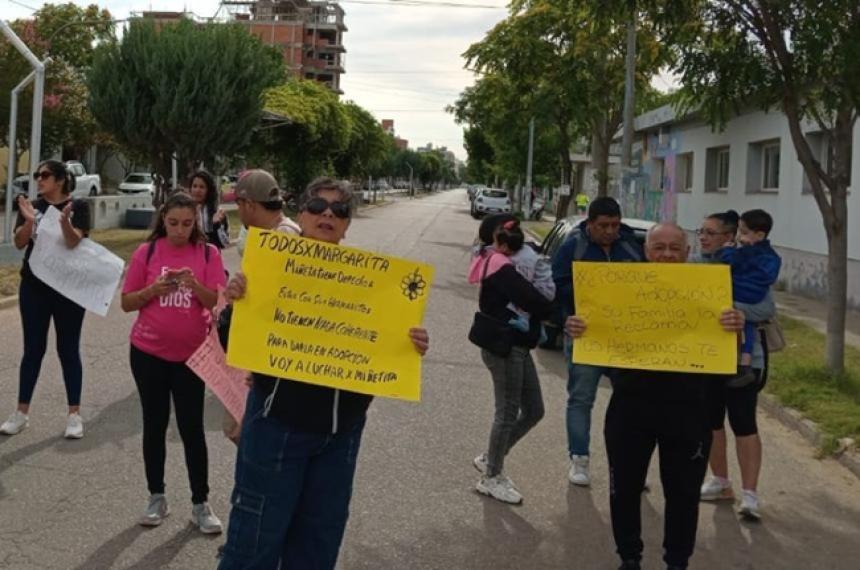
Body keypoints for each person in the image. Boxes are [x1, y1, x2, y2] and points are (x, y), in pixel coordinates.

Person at [217, 178, 430, 570]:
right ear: (301, 214)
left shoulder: (371, 287)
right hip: (276, 429)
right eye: (317, 205)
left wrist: (410, 343)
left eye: (340, 210)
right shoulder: (267, 268)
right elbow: (233, 343)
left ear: (348, 225)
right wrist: (235, 305)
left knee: (317, 547)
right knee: (253, 545)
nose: (328, 214)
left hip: (341, 436)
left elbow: (386, 352)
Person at [565, 223, 746, 570]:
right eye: (658, 248)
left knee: (683, 495)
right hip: (631, 409)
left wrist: (734, 330)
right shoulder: (621, 291)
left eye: (674, 248)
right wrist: (579, 329)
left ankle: (677, 562)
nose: (666, 254)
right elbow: (595, 340)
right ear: (647, 252)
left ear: (687, 253)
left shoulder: (709, 294)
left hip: (689, 412)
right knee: (624, 489)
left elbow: (727, 356)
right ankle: (629, 557)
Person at [120, 192, 227, 533]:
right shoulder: (146, 252)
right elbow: (126, 302)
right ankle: (157, 497)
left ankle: (200, 502)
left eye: (187, 223)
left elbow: (218, 303)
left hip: (192, 358)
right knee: (154, 424)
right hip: (148, 354)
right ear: (162, 220)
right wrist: (154, 290)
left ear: (196, 222)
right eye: (173, 223)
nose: (180, 230)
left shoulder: (208, 253)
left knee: (191, 428)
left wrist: (194, 285)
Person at [551, 196, 644, 486]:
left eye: (615, 225)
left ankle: (627, 466)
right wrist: (566, 318)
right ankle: (579, 460)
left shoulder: (632, 246)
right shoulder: (572, 248)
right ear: (589, 223)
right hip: (585, 336)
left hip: (624, 340)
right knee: (581, 399)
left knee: (630, 402)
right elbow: (553, 290)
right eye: (603, 225)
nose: (610, 231)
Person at [0, 160, 91, 439]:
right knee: (33, 350)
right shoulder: (32, 206)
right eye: (37, 175)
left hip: (67, 290)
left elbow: (74, 241)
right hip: (34, 288)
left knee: (68, 349)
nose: (39, 179)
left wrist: (63, 221)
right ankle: (21, 413)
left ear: (61, 179)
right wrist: (28, 221)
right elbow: (18, 243)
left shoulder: (79, 206)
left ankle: (74, 415)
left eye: (45, 175)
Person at [695, 210, 775, 520]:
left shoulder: (747, 263)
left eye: (710, 233)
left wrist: (734, 311)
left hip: (744, 360)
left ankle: (750, 495)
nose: (702, 237)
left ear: (730, 238)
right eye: (700, 231)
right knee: (711, 422)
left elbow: (766, 306)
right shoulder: (696, 265)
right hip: (706, 357)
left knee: (744, 423)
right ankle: (721, 482)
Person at [468, 220, 554, 504]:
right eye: (506, 235)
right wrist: (560, 315)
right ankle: (491, 477)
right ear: (494, 240)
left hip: (519, 346)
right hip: (503, 346)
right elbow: (533, 300)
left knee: (534, 410)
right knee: (506, 412)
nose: (515, 239)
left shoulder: (510, 261)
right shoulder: (498, 264)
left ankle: (492, 457)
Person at [220, 169, 300, 443]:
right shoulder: (274, 233)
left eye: (239, 205)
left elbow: (274, 308)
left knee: (249, 438)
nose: (238, 211)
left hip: (269, 362)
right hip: (262, 359)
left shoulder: (279, 239)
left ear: (249, 205)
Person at [715, 209, 781, 385]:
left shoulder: (748, 251)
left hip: (743, 291)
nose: (739, 237)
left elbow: (732, 261)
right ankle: (745, 364)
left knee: (738, 319)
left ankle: (744, 365)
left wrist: (726, 251)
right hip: (756, 293)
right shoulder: (770, 254)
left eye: (743, 233)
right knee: (747, 325)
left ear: (759, 235)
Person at [188, 169, 230, 249]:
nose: (197, 190)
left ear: (209, 190)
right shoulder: (184, 210)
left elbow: (225, 244)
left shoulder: (218, 211)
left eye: (202, 187)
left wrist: (216, 225)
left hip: (211, 258)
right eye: (195, 186)